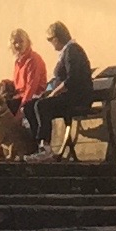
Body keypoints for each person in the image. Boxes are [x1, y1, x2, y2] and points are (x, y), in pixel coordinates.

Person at [24, 19, 93, 155]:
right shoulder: (66, 52)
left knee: (42, 106)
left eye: (50, 40)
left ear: (57, 38)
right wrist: (48, 91)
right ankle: (37, 146)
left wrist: (55, 92)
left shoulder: (72, 51)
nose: (51, 44)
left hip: (76, 98)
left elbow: (72, 79)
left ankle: (46, 147)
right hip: (66, 96)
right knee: (29, 106)